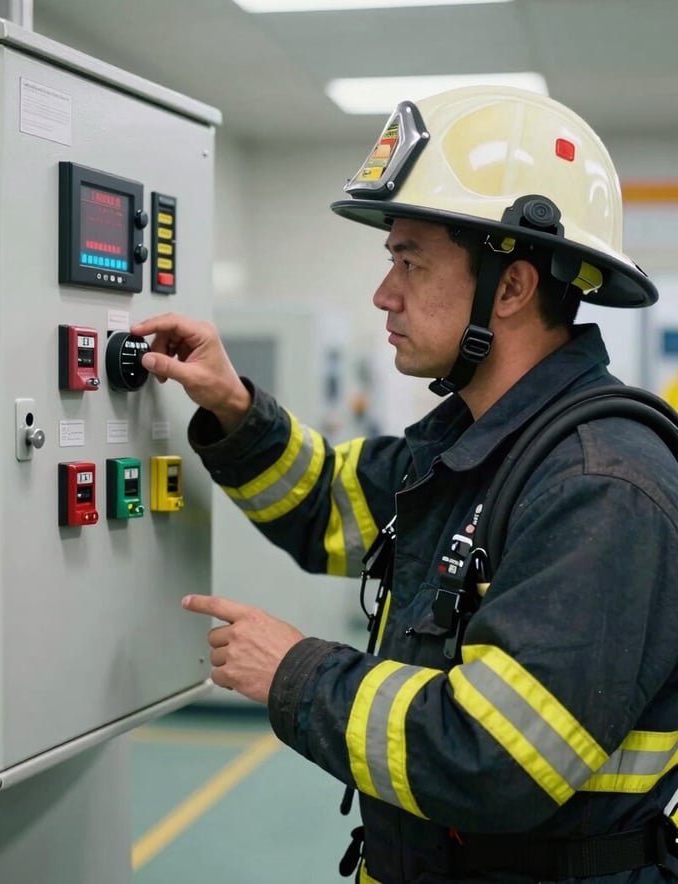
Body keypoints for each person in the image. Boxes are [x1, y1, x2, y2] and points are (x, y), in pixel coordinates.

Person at [131, 85, 678, 883]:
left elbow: (491, 759)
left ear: (514, 287)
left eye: (410, 261)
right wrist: (232, 404)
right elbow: (324, 502)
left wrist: (295, 671)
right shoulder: (473, 444)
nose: (385, 294)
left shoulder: (602, 486)